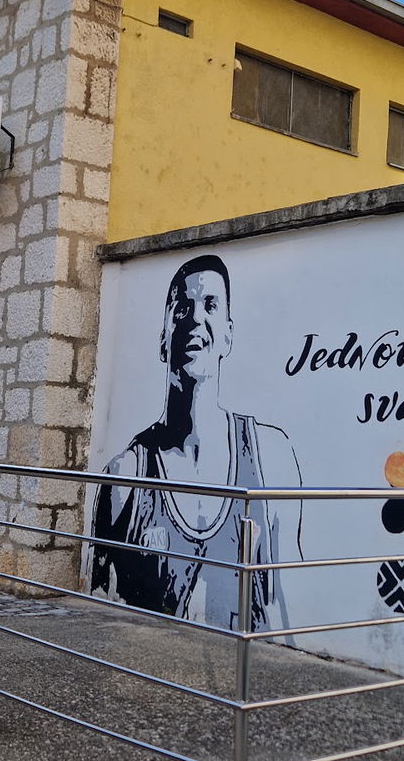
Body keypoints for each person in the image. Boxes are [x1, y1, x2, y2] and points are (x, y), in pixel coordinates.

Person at [91, 254, 303, 632]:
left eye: (210, 306)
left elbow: (284, 604)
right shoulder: (125, 476)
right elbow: (99, 612)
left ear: (227, 335)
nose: (195, 320)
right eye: (182, 308)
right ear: (162, 341)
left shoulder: (271, 455)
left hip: (239, 681)